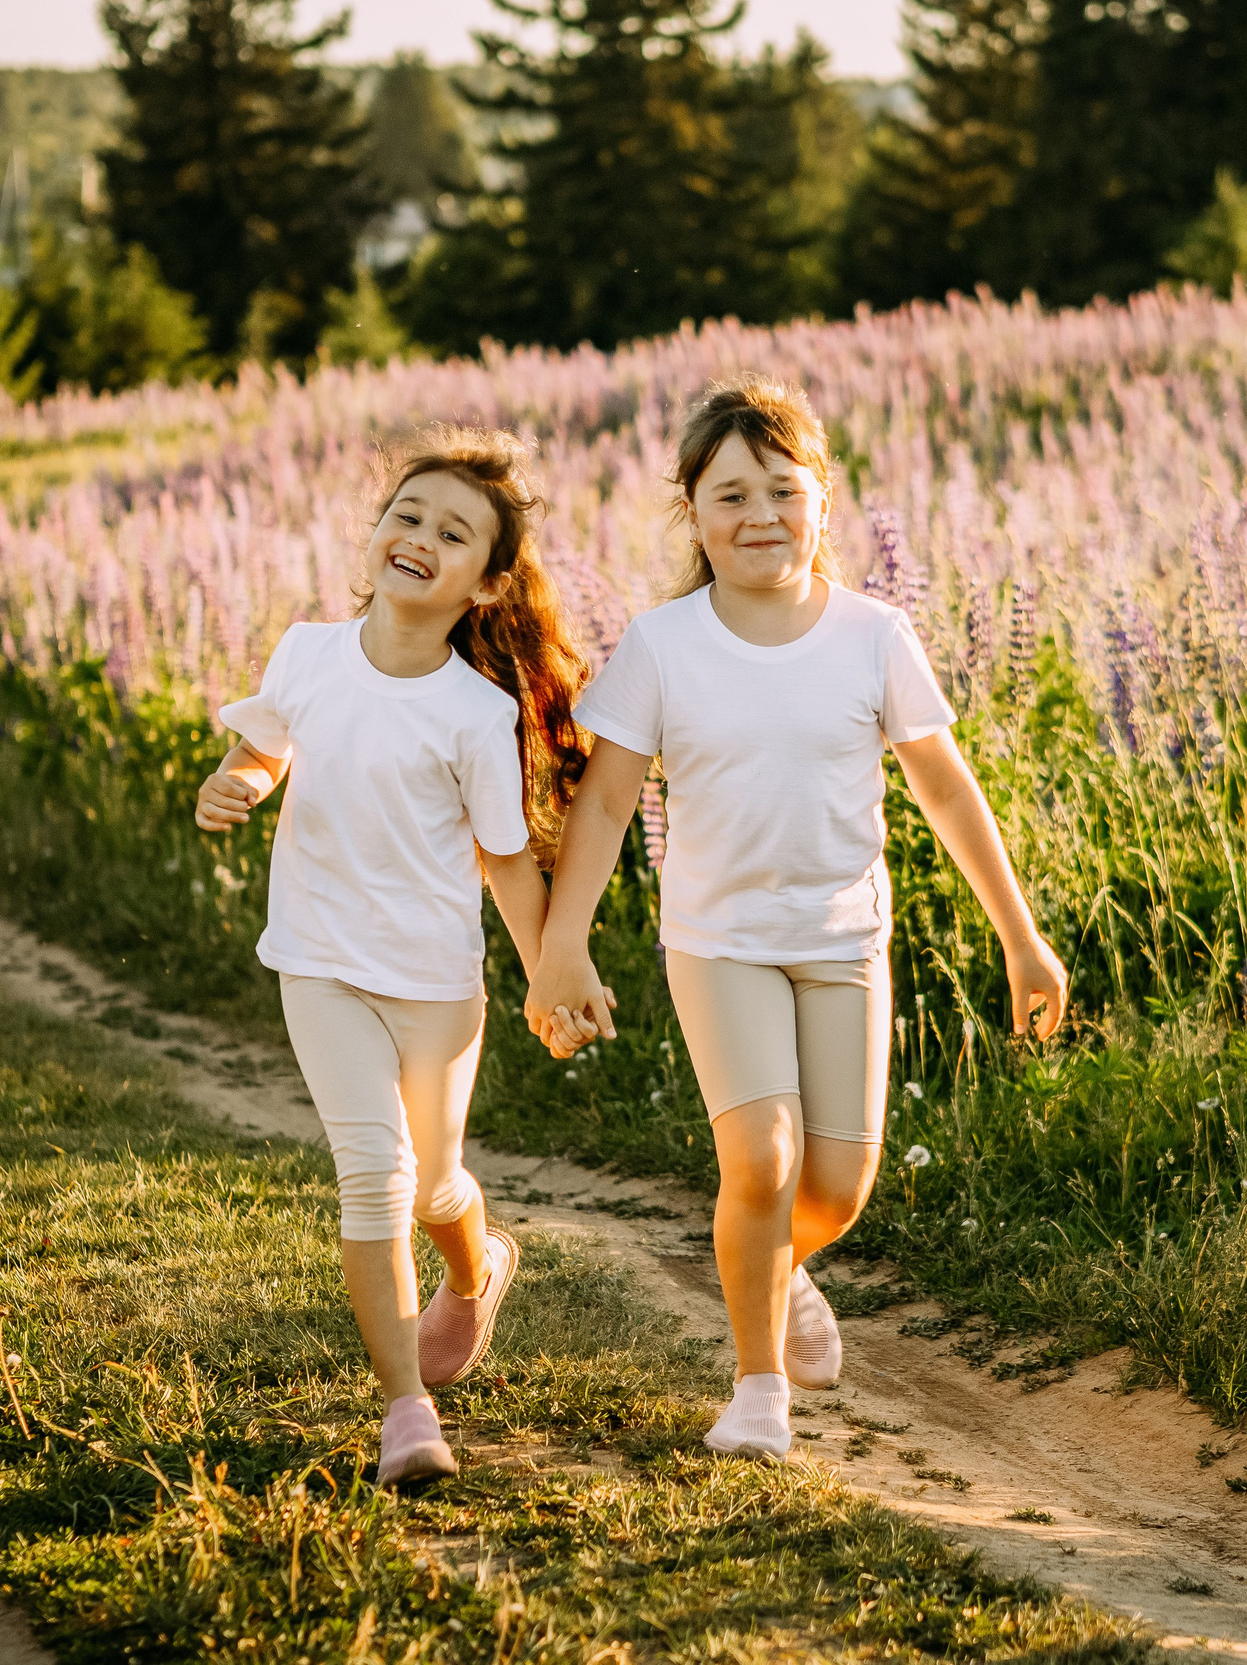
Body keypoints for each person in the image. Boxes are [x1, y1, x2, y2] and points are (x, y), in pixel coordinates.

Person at [523, 374, 1068, 1462]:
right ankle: (757, 1386)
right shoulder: (663, 644)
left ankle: (770, 1260)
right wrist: (562, 941)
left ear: (822, 500)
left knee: (837, 1186)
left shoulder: (873, 634)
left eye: (780, 488)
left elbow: (946, 790)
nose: (757, 513)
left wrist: (1019, 934)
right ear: (693, 513)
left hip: (843, 941)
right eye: (728, 495)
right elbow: (610, 798)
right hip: (719, 942)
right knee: (762, 1163)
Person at [194, 425, 587, 1490]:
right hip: (319, 962)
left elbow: (507, 864)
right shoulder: (307, 650)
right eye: (405, 514)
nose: (417, 535)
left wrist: (554, 969)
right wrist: (235, 782)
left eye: (451, 531)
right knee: (373, 1175)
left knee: (436, 1184)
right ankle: (405, 1412)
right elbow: (267, 742)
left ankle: (482, 1259)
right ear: (373, 533)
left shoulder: (476, 712)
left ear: (485, 584)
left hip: (434, 986)